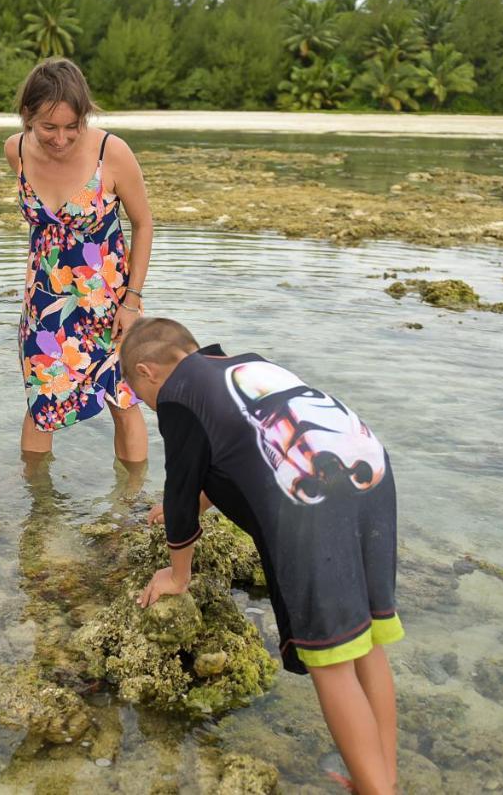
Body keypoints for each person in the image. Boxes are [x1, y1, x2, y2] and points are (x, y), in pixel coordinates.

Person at [121, 317, 402, 795]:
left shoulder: (177, 395)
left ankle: (378, 792)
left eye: (139, 396)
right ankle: (382, 776)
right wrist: (207, 499)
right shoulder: (246, 366)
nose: (149, 407)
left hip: (311, 499)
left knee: (331, 662)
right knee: (367, 641)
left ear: (147, 372)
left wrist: (177, 574)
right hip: (371, 470)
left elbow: (181, 494)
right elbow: (240, 448)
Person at [5, 58, 154, 463]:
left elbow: (143, 224)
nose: (61, 138)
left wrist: (133, 302)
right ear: (27, 116)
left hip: (109, 305)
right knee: (42, 406)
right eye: (49, 127)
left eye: (73, 126)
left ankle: (129, 506)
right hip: (45, 305)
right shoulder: (15, 149)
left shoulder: (112, 153)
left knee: (124, 402)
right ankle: (39, 513)